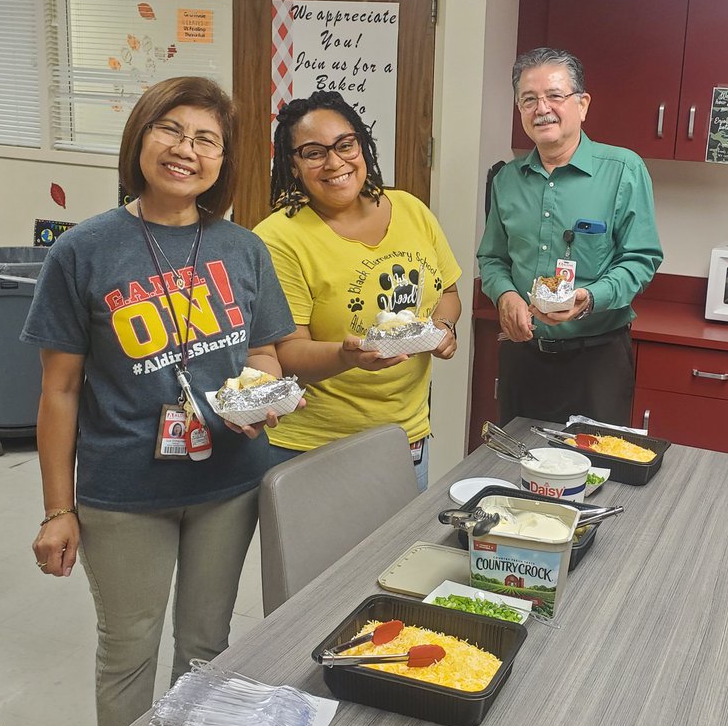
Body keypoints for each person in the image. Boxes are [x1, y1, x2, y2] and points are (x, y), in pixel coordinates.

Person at [22, 76, 299, 726]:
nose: (187, 149)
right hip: (123, 491)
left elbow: (262, 351)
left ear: (224, 161)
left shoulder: (243, 247)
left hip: (228, 480)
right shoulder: (83, 250)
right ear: (141, 138)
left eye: (207, 139)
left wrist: (260, 397)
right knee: (128, 651)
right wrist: (58, 510)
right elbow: (58, 390)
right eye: (170, 129)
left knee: (207, 647)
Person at [254, 91, 461, 491]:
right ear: (293, 166)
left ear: (362, 146)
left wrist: (444, 326)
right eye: (314, 153)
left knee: (400, 554)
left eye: (345, 145)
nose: (335, 162)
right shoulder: (279, 238)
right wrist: (347, 356)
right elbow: (285, 354)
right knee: (328, 558)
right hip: (315, 448)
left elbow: (446, 290)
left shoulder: (411, 210)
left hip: (407, 435)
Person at [477, 47, 663, 425]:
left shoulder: (623, 170)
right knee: (517, 465)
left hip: (596, 359)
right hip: (523, 355)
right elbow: (493, 258)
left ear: (582, 104)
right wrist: (506, 296)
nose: (541, 108)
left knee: (594, 472)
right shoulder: (507, 179)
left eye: (555, 96)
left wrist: (591, 298)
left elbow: (641, 259)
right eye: (529, 99)